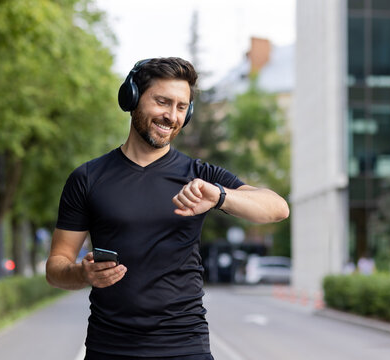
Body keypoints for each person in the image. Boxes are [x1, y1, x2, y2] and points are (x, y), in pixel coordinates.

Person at [45, 57, 289, 360]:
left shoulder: (200, 176)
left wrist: (220, 196)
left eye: (181, 107)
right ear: (131, 98)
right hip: (109, 348)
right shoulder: (87, 179)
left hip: (185, 347)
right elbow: (56, 267)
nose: (171, 116)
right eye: (162, 102)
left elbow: (277, 208)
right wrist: (83, 273)